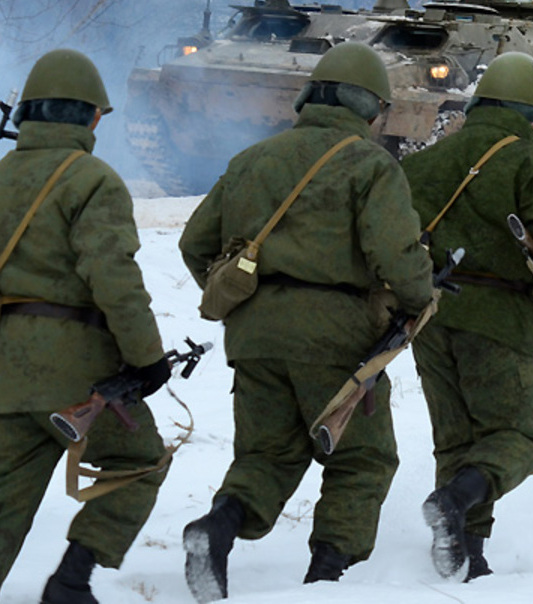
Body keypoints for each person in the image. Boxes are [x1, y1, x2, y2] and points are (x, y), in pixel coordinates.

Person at [178, 42, 433, 601]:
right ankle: (325, 580)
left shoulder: (252, 159)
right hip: (336, 337)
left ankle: (216, 528)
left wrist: (247, 299)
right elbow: (395, 254)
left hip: (252, 338)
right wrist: (420, 296)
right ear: (371, 110)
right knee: (363, 457)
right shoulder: (370, 164)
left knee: (266, 454)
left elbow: (194, 243)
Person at [401, 51, 533, 582]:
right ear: (532, 113)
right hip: (498, 316)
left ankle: (467, 552)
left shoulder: (421, 163)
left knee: (457, 438)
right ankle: (456, 506)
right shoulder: (529, 163)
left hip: (430, 320)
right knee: (519, 437)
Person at [0, 49, 172, 604]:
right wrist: (148, 359)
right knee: (141, 458)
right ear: (91, 117)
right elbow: (113, 277)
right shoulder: (93, 180)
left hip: (4, 370)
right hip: (75, 373)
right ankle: (72, 582)